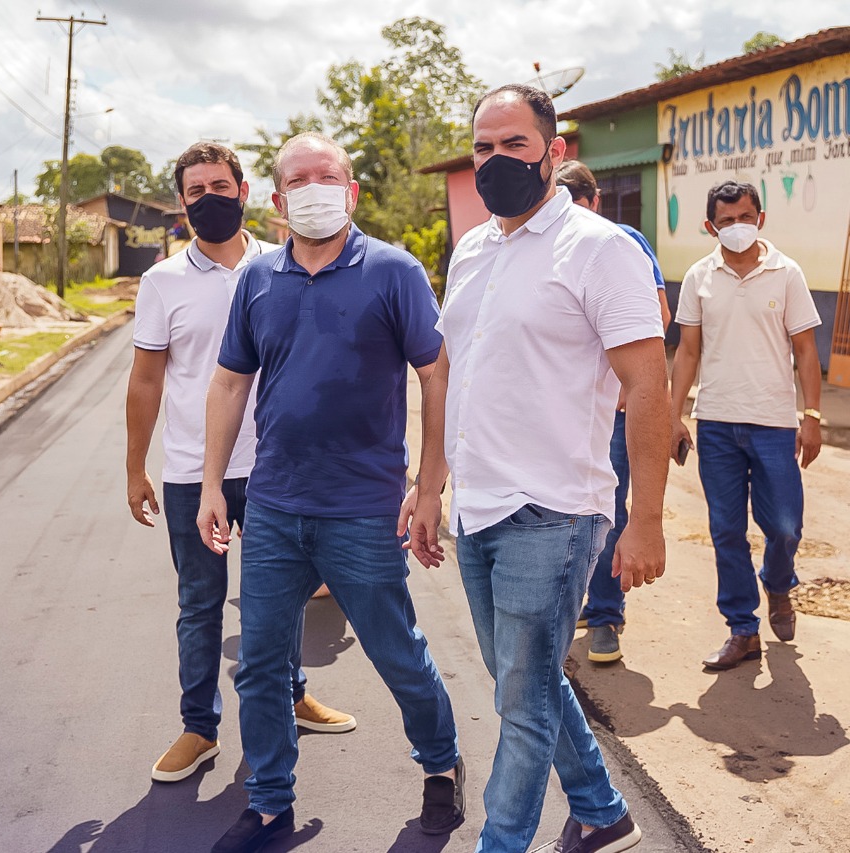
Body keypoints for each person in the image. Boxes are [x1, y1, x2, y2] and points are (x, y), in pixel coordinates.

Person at [411, 85, 668, 853]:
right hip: (478, 507)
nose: (495, 162)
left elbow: (648, 384)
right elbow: (450, 373)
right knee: (522, 680)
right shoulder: (471, 249)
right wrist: (430, 486)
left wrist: (645, 518)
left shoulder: (599, 248)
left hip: (555, 509)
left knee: (520, 703)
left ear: (554, 151)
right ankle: (599, 805)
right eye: (483, 147)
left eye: (514, 145)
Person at [199, 132, 463, 853]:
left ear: (350, 190)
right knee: (259, 659)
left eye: (329, 176)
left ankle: (440, 764)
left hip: (361, 507)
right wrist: (214, 484)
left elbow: (436, 374)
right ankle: (269, 804)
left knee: (397, 651)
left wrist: (429, 484)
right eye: (298, 179)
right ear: (278, 201)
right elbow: (229, 382)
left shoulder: (394, 272)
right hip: (276, 504)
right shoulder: (257, 280)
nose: (314, 188)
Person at [127, 142, 355, 786]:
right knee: (200, 603)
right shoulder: (162, 281)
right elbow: (145, 382)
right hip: (192, 471)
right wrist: (133, 467)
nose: (209, 199)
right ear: (181, 203)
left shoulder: (286, 266)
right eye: (195, 191)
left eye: (220, 187)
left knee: (276, 599)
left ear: (246, 190)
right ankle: (199, 725)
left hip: (279, 467)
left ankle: (292, 696)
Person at [668, 180, 822, 671]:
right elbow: (687, 350)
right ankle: (742, 629)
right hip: (716, 423)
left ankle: (778, 583)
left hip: (773, 423)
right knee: (726, 530)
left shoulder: (787, 273)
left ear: (762, 217)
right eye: (727, 220)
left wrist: (812, 416)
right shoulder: (699, 276)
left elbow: (804, 350)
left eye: (745, 217)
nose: (737, 228)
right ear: (711, 225)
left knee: (784, 525)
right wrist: (674, 415)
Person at [555, 161, 672, 665]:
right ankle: (585, 603)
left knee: (610, 505)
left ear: (593, 203)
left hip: (615, 409)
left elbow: (659, 317)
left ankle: (606, 615)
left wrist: (625, 377)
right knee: (571, 505)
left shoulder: (619, 240)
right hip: (566, 412)